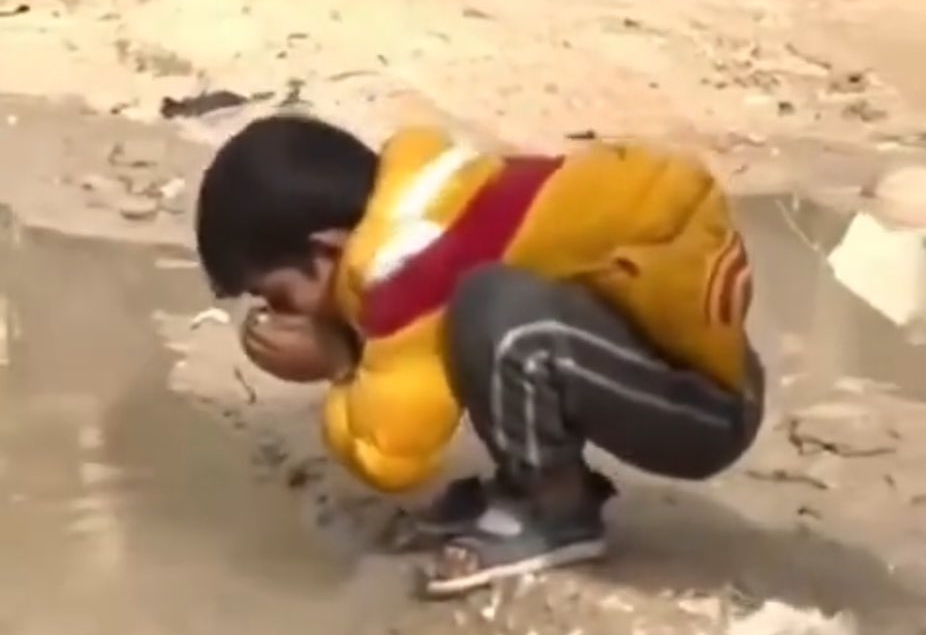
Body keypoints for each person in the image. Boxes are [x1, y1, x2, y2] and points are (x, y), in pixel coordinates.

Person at [195, 115, 765, 598]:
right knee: (477, 316)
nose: (284, 315)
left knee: (487, 308)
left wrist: (341, 361)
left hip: (706, 408)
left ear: (328, 250)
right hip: (667, 364)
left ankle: (557, 515)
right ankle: (528, 488)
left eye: (279, 297)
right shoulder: (425, 198)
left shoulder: (399, 266)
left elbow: (392, 454)